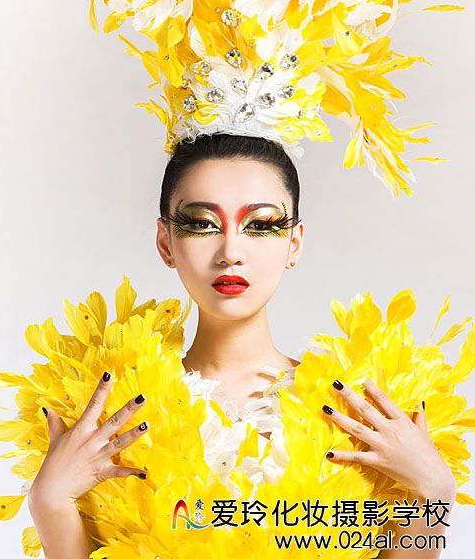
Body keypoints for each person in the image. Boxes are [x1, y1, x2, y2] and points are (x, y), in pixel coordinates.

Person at [27, 133, 457, 559]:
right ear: (165, 242)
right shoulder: (111, 416)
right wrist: (50, 502)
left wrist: (436, 490)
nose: (231, 251)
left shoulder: (359, 415)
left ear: (294, 243)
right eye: (201, 224)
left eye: (261, 225)